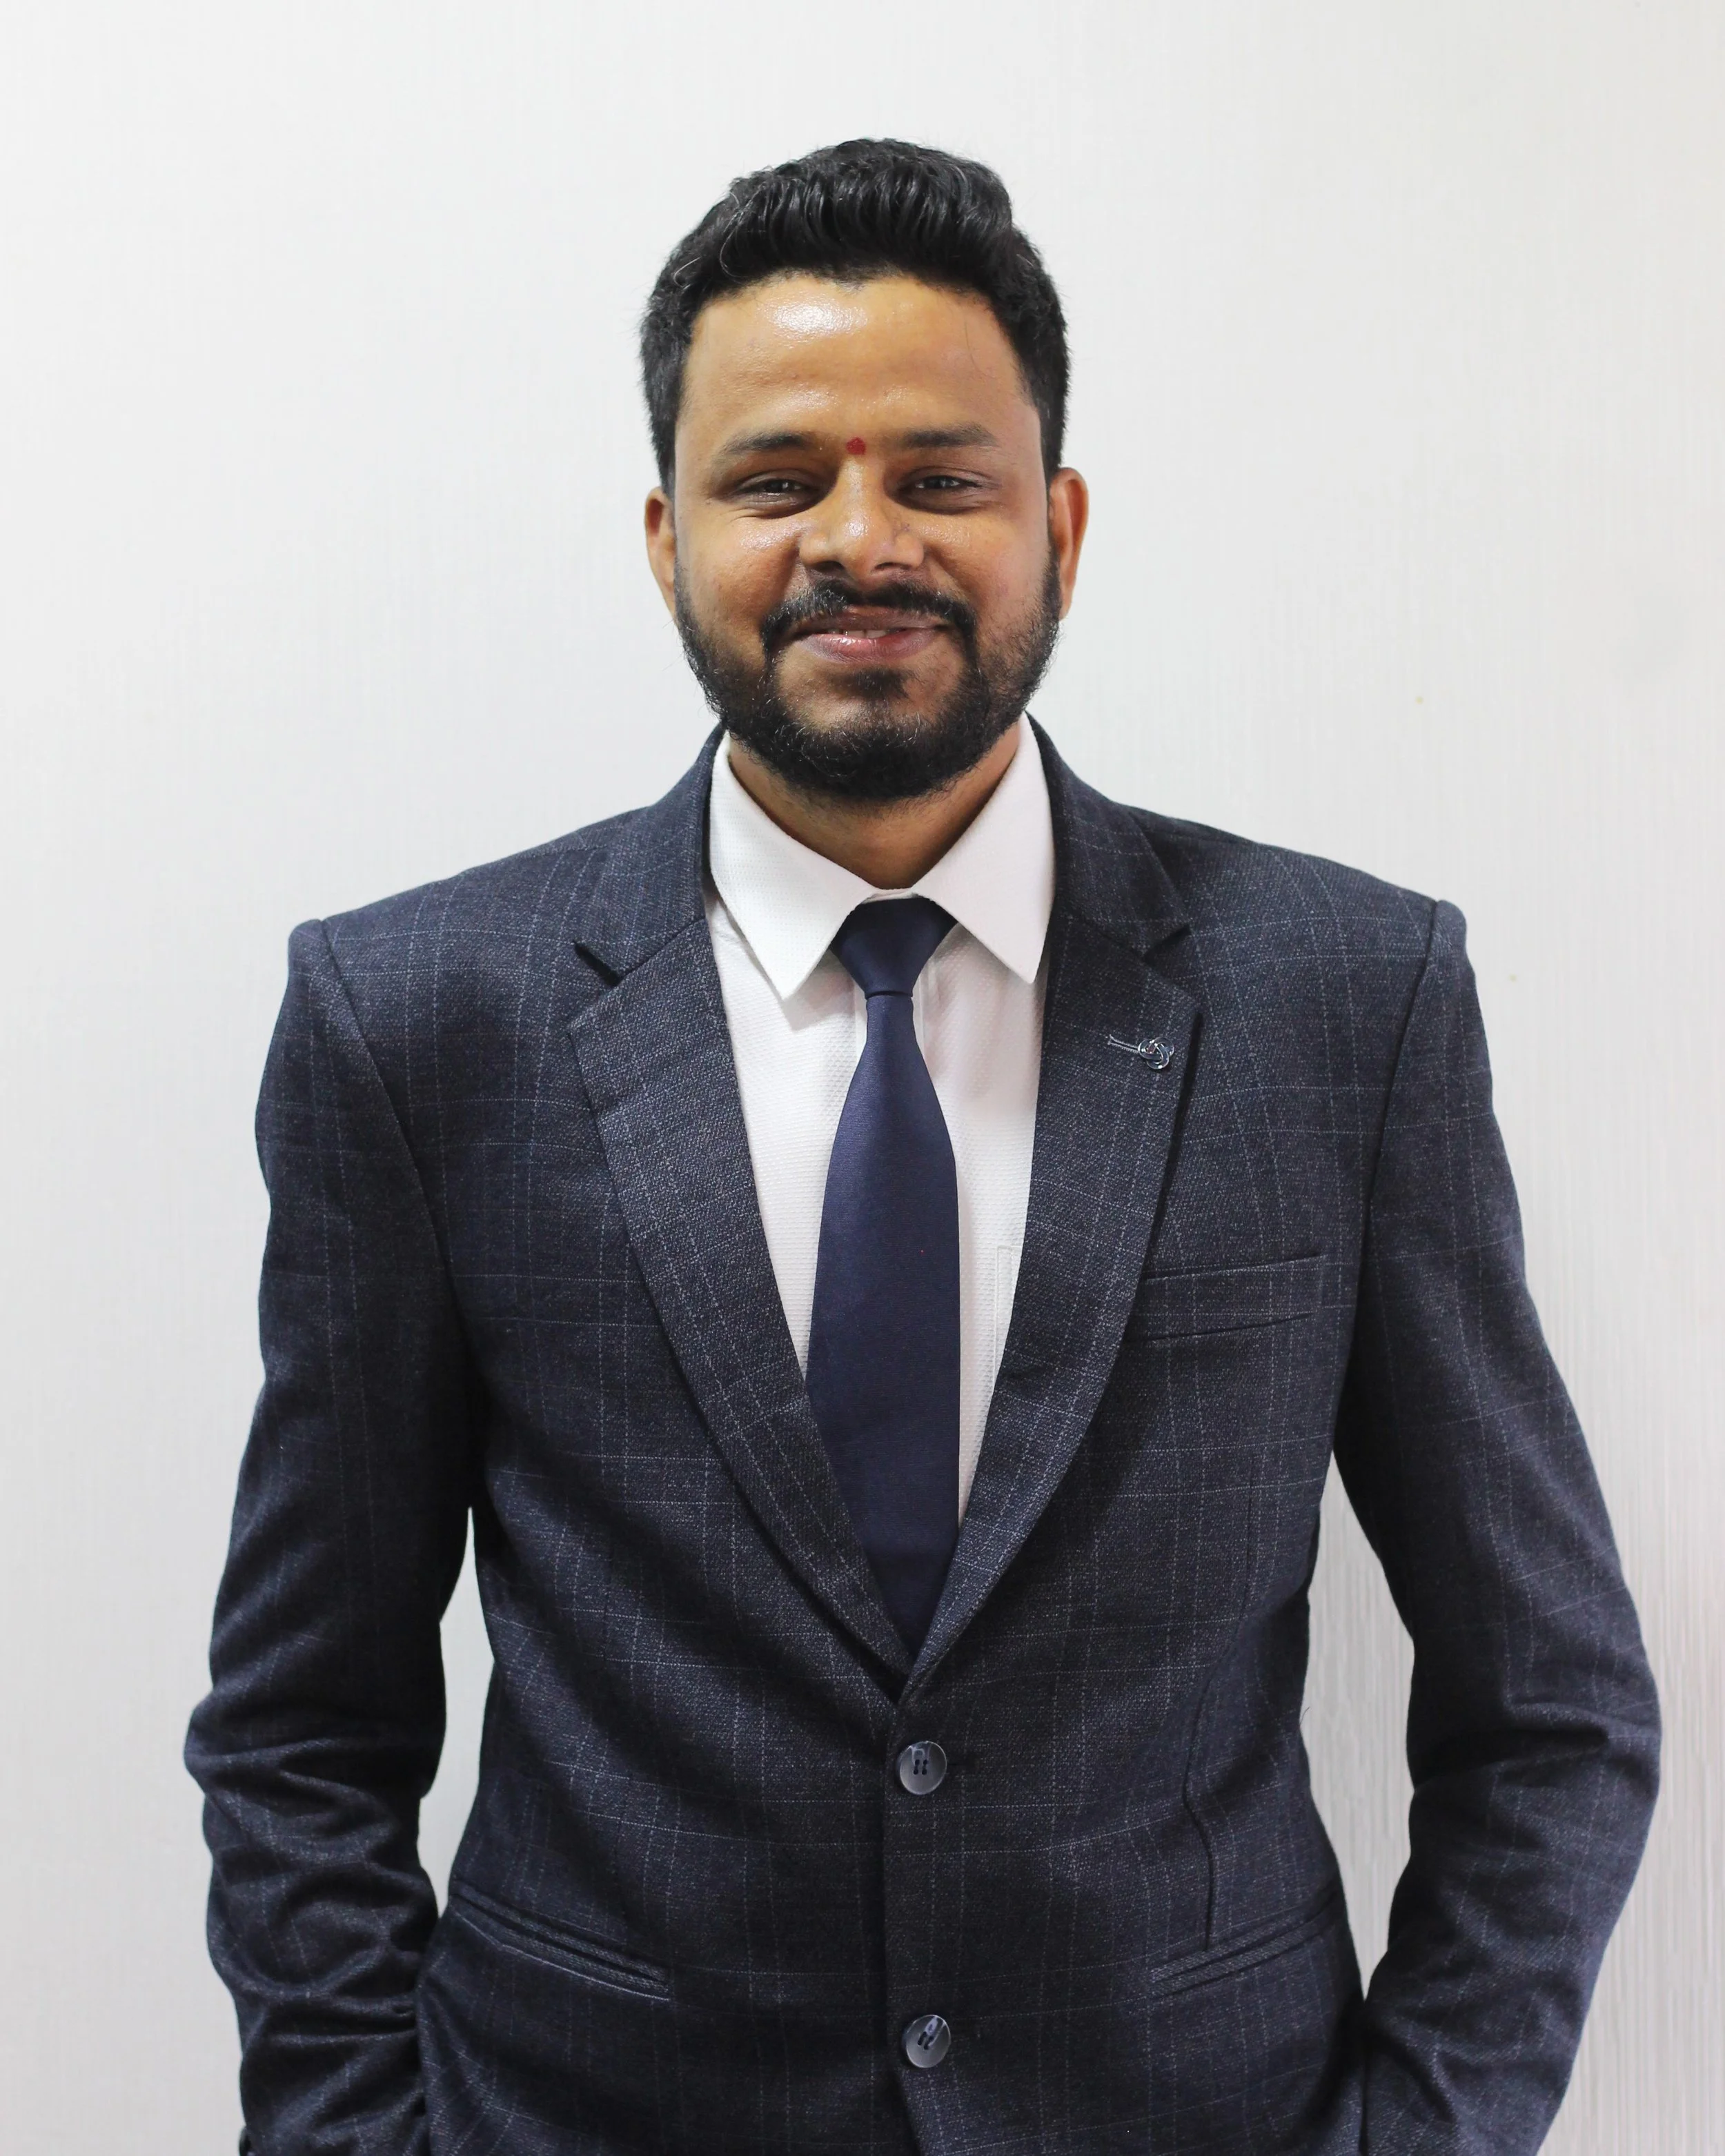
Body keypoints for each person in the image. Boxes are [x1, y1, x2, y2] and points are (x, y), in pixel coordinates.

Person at [187, 139, 1659, 2156]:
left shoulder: (1344, 1001)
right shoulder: (417, 1017)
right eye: (774, 478)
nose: (856, 539)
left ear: (1056, 521)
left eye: (940, 478)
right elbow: (303, 1724)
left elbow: (1552, 1708)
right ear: (662, 529)